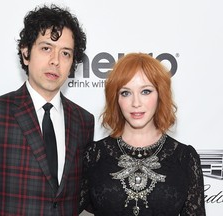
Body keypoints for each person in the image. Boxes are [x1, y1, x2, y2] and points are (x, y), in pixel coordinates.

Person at [0, 4, 94, 216]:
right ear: (25, 53)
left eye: (65, 53)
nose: (55, 61)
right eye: (46, 48)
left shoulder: (84, 121)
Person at [80, 53, 205, 216]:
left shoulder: (185, 158)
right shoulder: (94, 154)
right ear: (116, 99)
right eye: (126, 93)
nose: (136, 103)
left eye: (145, 91)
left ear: (160, 95)